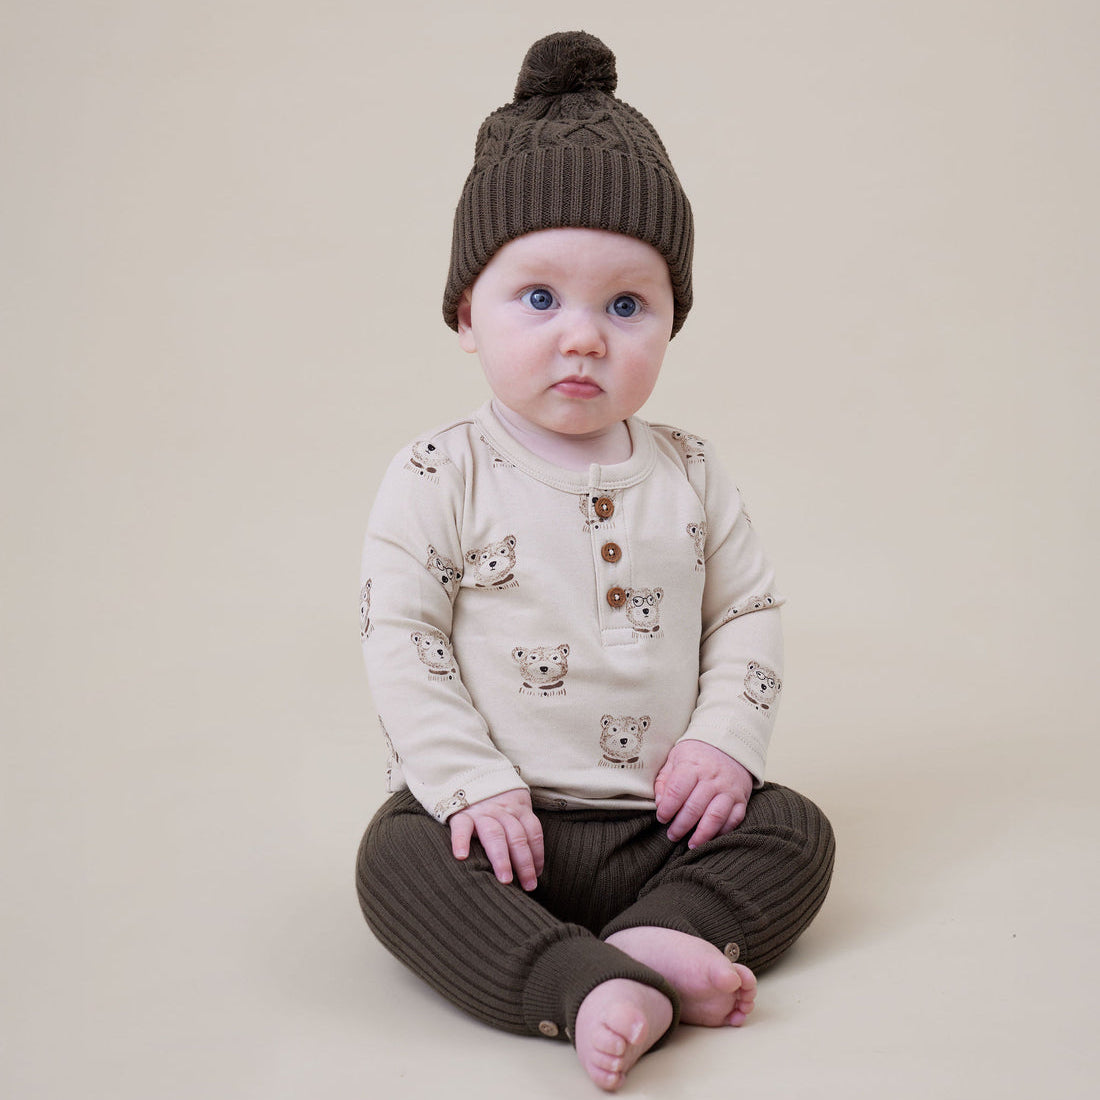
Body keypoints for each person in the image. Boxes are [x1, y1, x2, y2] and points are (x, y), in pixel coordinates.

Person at [355, 30, 835, 1092]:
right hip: (496, 824)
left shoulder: (691, 471)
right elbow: (402, 636)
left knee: (795, 827)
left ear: (670, 319)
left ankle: (668, 929)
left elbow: (745, 607)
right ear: (463, 314)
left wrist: (722, 744)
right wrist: (467, 783)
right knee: (390, 861)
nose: (583, 338)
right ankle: (575, 980)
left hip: (654, 820)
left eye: (626, 305)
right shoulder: (441, 471)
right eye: (539, 298)